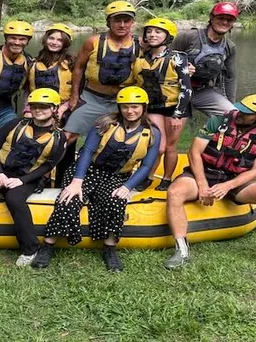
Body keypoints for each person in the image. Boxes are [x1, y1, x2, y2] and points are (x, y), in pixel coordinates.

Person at [32, 86, 161, 272]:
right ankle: (48, 245)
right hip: (88, 170)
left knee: (116, 202)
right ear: (119, 107)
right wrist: (77, 181)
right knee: (69, 199)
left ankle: (109, 248)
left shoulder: (153, 133)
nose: (130, 111)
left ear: (143, 107)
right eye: (125, 107)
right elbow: (87, 152)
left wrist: (128, 186)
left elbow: (147, 166)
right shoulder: (104, 123)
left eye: (135, 107)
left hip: (117, 176)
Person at [164, 94, 256, 270]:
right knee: (174, 193)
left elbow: (255, 171)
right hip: (205, 172)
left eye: (248, 113)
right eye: (241, 109)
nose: (241, 114)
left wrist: (227, 186)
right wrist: (202, 185)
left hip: (234, 179)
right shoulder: (217, 122)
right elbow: (194, 153)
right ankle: (181, 250)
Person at [0, 88, 67, 266]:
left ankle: (30, 249)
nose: (38, 110)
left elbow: (49, 165)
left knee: (15, 200)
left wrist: (22, 181)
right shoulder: (15, 123)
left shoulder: (59, 137)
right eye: (35, 106)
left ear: (55, 109)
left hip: (26, 176)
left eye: (44, 107)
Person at [63, 1, 140, 159]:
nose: (122, 24)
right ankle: (48, 170)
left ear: (132, 23)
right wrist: (74, 96)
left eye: (127, 21)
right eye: (117, 20)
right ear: (109, 22)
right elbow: (79, 68)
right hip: (92, 98)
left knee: (121, 140)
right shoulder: (93, 42)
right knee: (68, 136)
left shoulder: (140, 45)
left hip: (121, 102)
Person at [133, 17, 192, 191]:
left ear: (167, 36)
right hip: (154, 107)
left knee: (170, 146)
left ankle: (166, 178)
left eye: (158, 32)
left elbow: (186, 89)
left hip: (176, 107)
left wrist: (178, 114)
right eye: (149, 32)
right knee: (158, 146)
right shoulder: (140, 59)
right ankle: (149, 177)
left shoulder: (178, 58)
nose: (152, 35)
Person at [25, 23, 76, 185]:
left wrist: (63, 108)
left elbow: (77, 91)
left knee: (65, 150)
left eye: (59, 40)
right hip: (38, 110)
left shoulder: (72, 63)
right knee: (37, 148)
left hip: (64, 110)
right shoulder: (34, 62)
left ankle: (63, 183)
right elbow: (28, 90)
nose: (54, 42)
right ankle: (39, 180)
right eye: (52, 38)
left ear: (65, 43)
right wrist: (27, 110)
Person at [171, 1, 239, 117]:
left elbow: (230, 77)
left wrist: (231, 103)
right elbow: (163, 58)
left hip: (202, 91)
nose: (224, 22)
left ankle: (212, 134)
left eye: (229, 20)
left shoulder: (229, 47)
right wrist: (181, 66)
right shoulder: (188, 37)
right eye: (220, 18)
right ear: (211, 18)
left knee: (231, 116)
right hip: (174, 88)